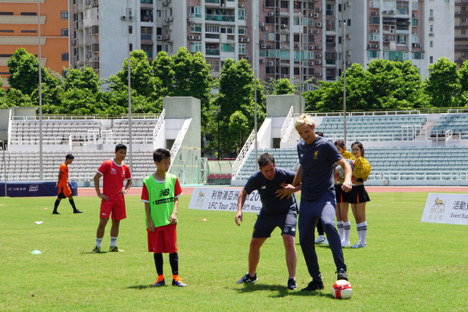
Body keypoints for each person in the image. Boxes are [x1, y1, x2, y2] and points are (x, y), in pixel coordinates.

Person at [293, 114, 352, 292]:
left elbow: (345, 164)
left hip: (325, 196)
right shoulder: (301, 146)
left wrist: (347, 180)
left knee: (327, 223)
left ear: (312, 126)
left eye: (306, 131)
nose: (305, 136)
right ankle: (316, 280)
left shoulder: (325, 145)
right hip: (307, 200)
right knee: (304, 239)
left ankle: (341, 270)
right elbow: (303, 167)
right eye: (301, 133)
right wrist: (293, 185)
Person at [235, 153, 301, 290]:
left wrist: (293, 189)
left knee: (288, 240)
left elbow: (306, 181)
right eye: (266, 171)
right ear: (260, 170)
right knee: (254, 244)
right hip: (267, 214)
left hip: (287, 211)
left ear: (275, 165)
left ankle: (292, 279)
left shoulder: (284, 174)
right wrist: (239, 210)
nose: (270, 173)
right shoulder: (256, 178)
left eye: (272, 169)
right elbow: (243, 192)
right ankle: (251, 276)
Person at [141, 148, 186, 287]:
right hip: (155, 223)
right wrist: (149, 220)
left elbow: (176, 198)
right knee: (157, 251)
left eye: (169, 162)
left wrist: (174, 213)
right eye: (165, 163)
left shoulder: (173, 179)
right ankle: (160, 278)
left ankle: (176, 278)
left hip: (170, 222)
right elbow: (146, 203)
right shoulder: (148, 181)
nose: (167, 166)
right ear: (157, 163)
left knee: (173, 250)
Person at [91, 144, 132, 253]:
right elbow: (96, 177)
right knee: (103, 221)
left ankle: (113, 246)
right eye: (121, 152)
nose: (123, 155)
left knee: (116, 222)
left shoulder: (125, 167)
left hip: (119, 199)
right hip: (107, 199)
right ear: (115, 152)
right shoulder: (108, 164)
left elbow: (129, 179)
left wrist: (126, 189)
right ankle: (97, 246)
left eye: (124, 153)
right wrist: (99, 193)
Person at [349, 141, 371, 248]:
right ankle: (360, 241)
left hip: (359, 189)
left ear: (361, 150)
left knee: (361, 217)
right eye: (353, 149)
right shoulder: (351, 162)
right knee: (356, 217)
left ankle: (363, 241)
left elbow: (365, 178)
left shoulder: (364, 162)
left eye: (357, 149)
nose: (354, 151)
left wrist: (359, 171)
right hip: (352, 189)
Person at [334, 140, 355, 247]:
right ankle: (340, 238)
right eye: (335, 149)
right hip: (335, 187)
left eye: (338, 149)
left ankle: (346, 239)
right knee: (338, 215)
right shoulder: (333, 160)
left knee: (344, 215)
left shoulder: (347, 161)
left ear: (343, 149)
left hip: (343, 188)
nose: (337, 151)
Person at [313, 131, 327, 245]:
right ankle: (321, 235)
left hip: (325, 188)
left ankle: (327, 235)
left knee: (326, 214)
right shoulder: (311, 152)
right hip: (313, 188)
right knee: (316, 214)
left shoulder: (327, 152)